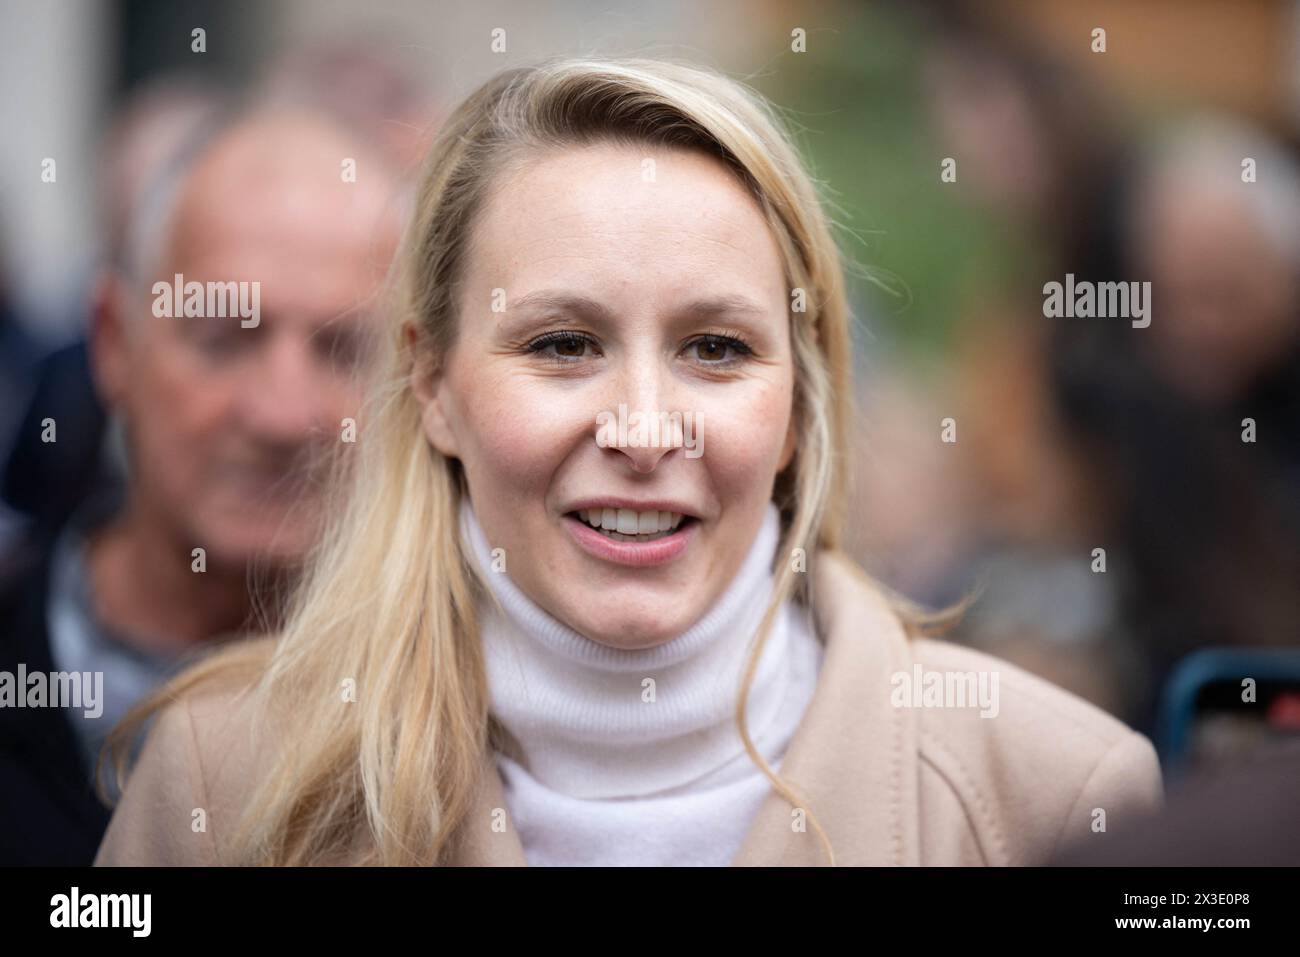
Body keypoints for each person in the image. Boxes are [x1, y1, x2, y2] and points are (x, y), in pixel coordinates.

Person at [94, 57, 1161, 867]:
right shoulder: (221, 779)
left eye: (716, 349)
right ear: (432, 386)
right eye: (563, 345)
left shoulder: (1055, 792)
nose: (645, 433)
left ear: (800, 403)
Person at [0, 107, 403, 865]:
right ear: (116, 342)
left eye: (345, 347)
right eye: (225, 338)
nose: (284, 414)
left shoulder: (476, 722)